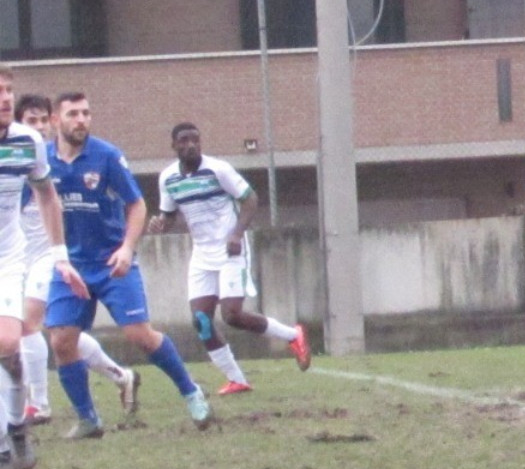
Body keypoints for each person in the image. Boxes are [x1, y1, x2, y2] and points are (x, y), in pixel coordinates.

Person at [44, 92, 213, 435]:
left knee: (139, 336)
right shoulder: (44, 159)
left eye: (86, 113)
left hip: (111, 261)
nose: (81, 120)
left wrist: (126, 248)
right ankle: (88, 419)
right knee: (61, 341)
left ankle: (192, 392)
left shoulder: (106, 156)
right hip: (70, 265)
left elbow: (137, 206)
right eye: (73, 113)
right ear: (54, 121)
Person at [153, 122, 310, 393]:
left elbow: (250, 198)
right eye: (184, 140)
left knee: (232, 315)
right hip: (202, 254)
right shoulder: (168, 178)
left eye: (195, 140)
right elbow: (168, 216)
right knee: (201, 321)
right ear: (174, 145)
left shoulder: (218, 169)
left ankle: (293, 336)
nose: (190, 145)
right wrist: (159, 225)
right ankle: (237, 379)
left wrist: (237, 234)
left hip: (231, 251)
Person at [14, 93, 139, 426]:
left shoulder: (54, 160)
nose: (39, 127)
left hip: (54, 256)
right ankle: (119, 374)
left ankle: (38, 404)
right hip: (18, 258)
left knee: (27, 324)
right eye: (31, 121)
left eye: (43, 120)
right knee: (58, 332)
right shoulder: (19, 159)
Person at [0, 73, 89, 469]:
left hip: (8, 256)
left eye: (7, 91)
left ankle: (16, 428)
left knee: (7, 342)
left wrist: (60, 256)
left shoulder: (27, 141)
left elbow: (46, 194)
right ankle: (10, 436)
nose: (5, 99)